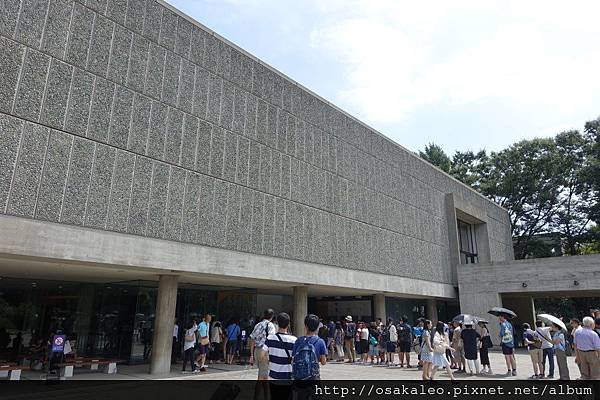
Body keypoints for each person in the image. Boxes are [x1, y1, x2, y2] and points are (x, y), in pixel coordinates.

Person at [265, 312, 297, 399]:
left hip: (273, 377)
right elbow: (295, 360)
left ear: (277, 323)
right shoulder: (294, 340)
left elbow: (261, 356)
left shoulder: (270, 338)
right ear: (289, 324)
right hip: (287, 377)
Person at [292, 314, 327, 380]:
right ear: (317, 327)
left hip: (299, 377)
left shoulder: (298, 340)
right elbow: (323, 362)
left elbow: (293, 359)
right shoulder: (320, 341)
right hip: (313, 377)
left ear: (306, 326)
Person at [249, 308, 276, 381]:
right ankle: (260, 391)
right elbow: (271, 340)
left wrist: (251, 354)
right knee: (263, 376)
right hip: (264, 352)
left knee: (262, 373)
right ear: (272, 316)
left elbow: (252, 339)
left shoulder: (258, 324)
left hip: (256, 351)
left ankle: (263, 391)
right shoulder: (271, 325)